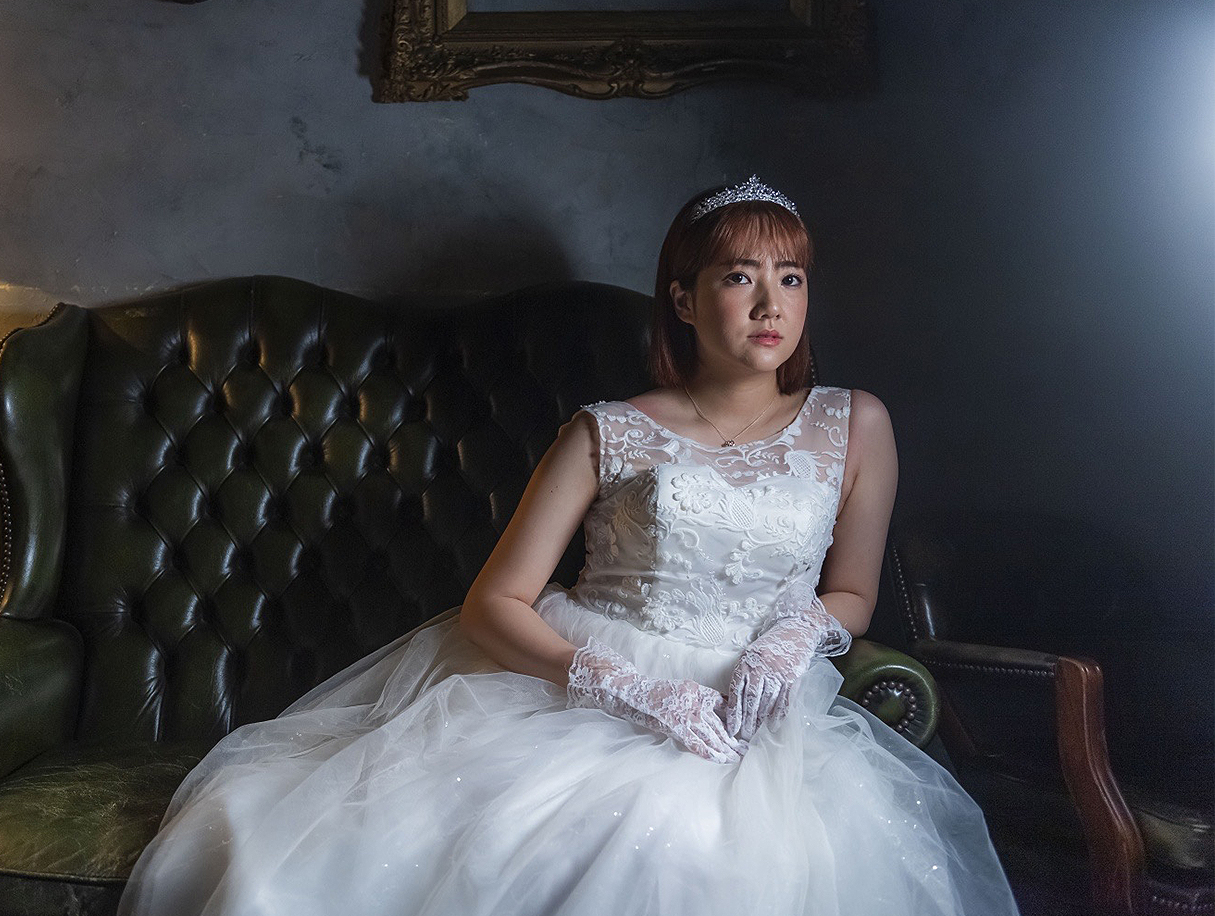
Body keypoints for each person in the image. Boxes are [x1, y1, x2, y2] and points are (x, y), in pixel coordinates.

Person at [118, 177, 1022, 916]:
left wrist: (794, 638)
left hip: (759, 698)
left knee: (739, 852)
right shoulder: (610, 430)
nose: (768, 304)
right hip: (590, 682)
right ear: (683, 299)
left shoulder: (855, 423)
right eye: (738, 277)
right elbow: (494, 602)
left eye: (789, 278)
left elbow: (853, 592)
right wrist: (622, 686)